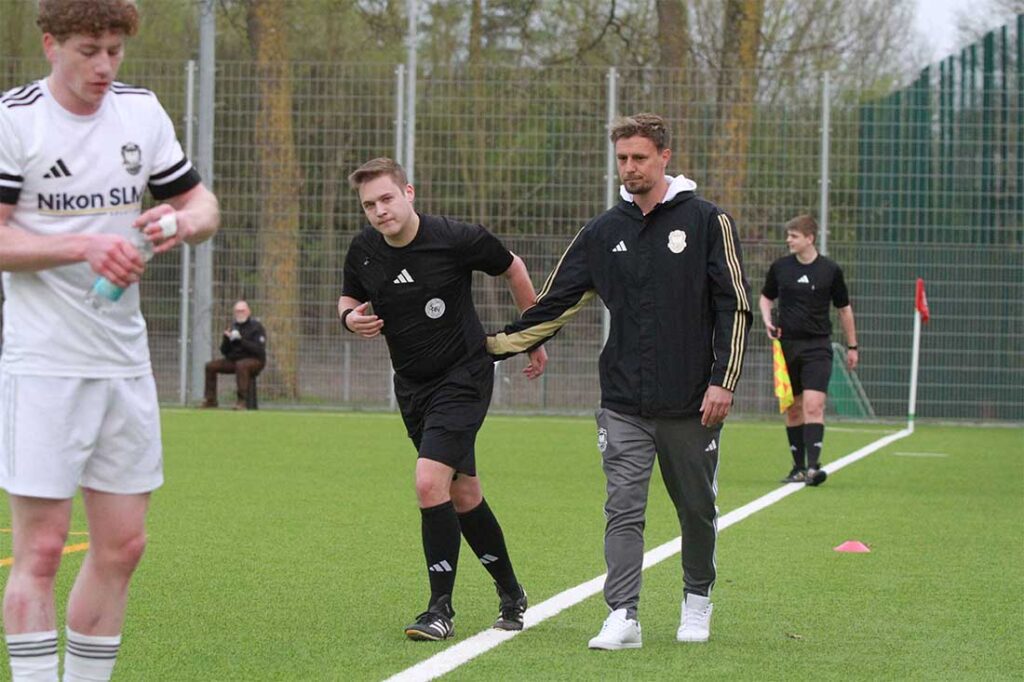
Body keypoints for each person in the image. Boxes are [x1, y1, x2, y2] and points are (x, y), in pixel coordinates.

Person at [0, 2, 220, 680]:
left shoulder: (142, 113)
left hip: (124, 362)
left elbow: (203, 204)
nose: (104, 66)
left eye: (115, 51)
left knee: (123, 546)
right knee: (39, 552)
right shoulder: (16, 120)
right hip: (43, 365)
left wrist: (177, 226)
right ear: (51, 45)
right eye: (89, 50)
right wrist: (85, 247)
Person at [488, 113, 752, 648]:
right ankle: (623, 615)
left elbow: (736, 306)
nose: (629, 168)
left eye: (639, 158)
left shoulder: (707, 222)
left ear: (664, 157)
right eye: (622, 159)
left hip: (693, 403)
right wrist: (488, 349)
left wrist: (723, 381)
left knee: (696, 509)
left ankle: (697, 600)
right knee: (623, 507)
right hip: (623, 401)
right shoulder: (603, 233)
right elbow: (553, 305)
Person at [338, 157, 547, 641]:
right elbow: (347, 298)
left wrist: (531, 335)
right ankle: (512, 594)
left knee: (428, 482)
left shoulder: (455, 238)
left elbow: (513, 267)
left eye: (387, 198)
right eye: (369, 205)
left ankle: (439, 610)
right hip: (412, 386)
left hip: (465, 375)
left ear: (408, 193)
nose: (379, 211)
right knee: (463, 493)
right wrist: (350, 319)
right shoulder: (364, 250)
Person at [759, 214, 859, 487]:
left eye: (794, 236)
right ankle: (798, 467)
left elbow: (844, 310)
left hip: (817, 347)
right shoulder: (780, 268)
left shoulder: (830, 270)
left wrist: (852, 346)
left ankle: (814, 468)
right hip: (786, 348)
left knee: (814, 405)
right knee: (793, 409)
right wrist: (767, 321)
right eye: (788, 235)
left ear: (809, 238)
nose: (788, 240)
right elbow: (766, 298)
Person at [202, 300, 267, 410]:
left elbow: (259, 350)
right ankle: (210, 400)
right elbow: (224, 351)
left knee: (241, 365)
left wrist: (241, 340)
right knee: (210, 366)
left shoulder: (256, 327)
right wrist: (227, 339)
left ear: (248, 312)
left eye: (242, 311)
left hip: (254, 360)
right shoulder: (233, 326)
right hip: (234, 360)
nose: (240, 313)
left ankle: (242, 401)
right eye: (237, 311)